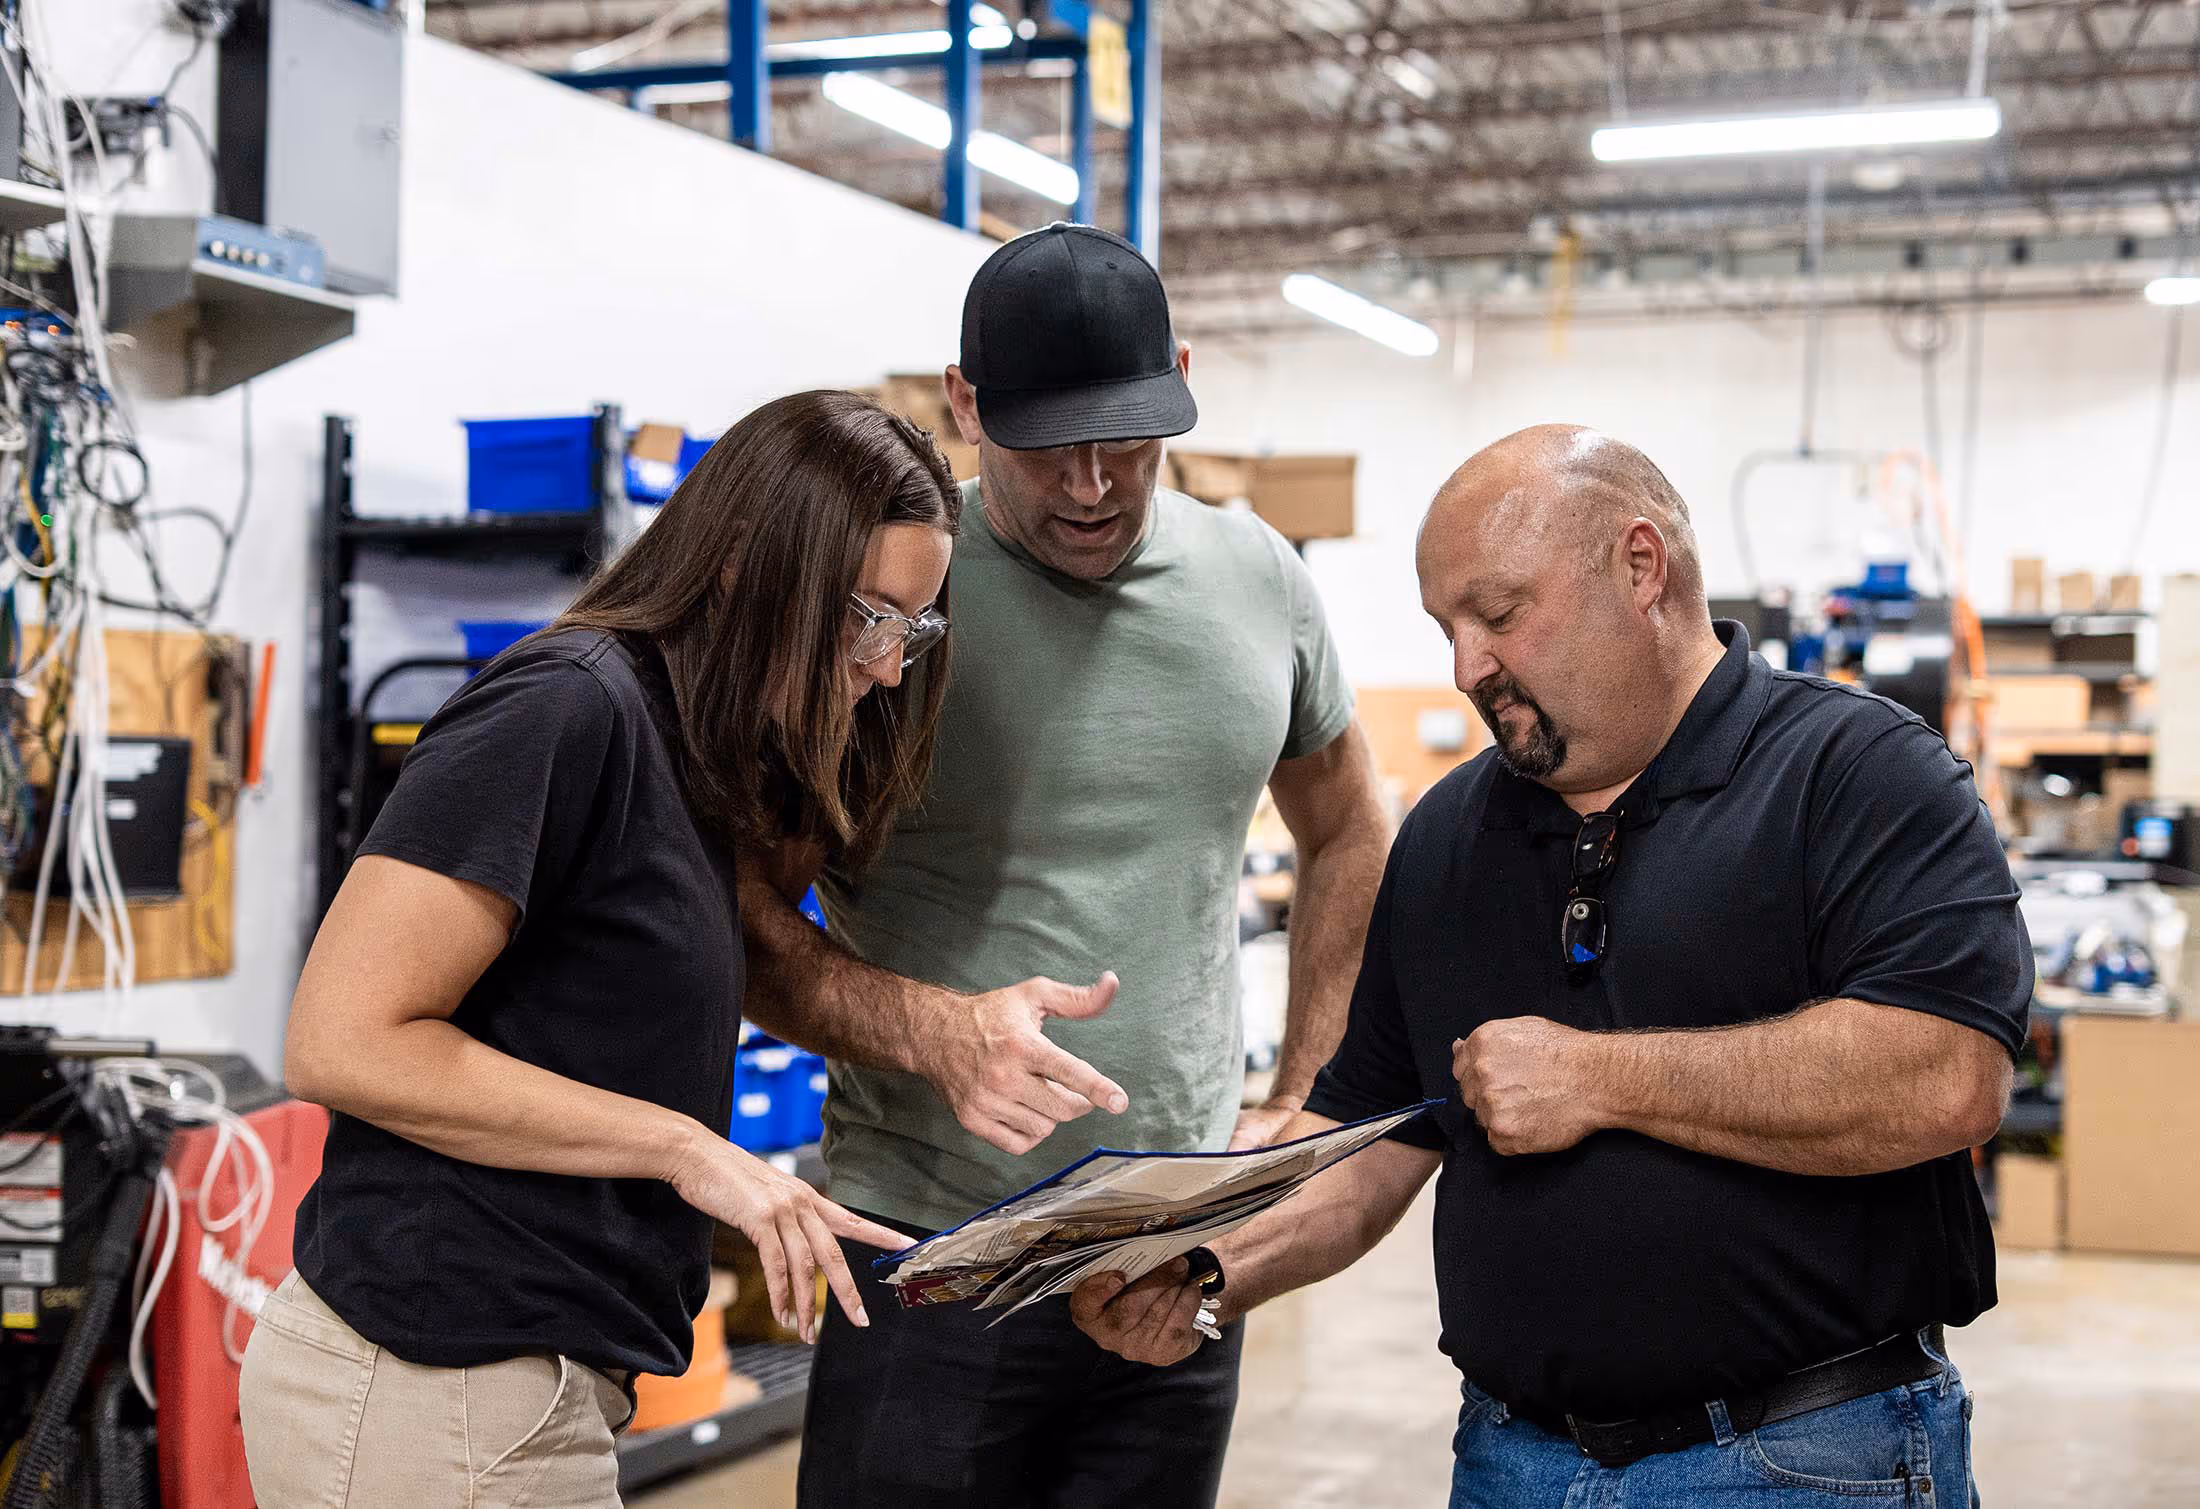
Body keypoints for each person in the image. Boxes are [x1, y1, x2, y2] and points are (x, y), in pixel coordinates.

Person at [1069, 424, 2029, 1509]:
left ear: (1639, 566)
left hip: (1802, 1460)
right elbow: (1375, 1139)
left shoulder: (1857, 776)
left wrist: (1602, 1079)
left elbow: (1947, 1077)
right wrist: (1207, 1270)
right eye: (1445, 627)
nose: (1466, 665)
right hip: (1509, 1463)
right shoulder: (1444, 837)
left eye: (1499, 613)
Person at [736, 223, 1393, 1508]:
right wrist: (934, 1032)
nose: (1093, 486)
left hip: (1167, 1242)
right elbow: (749, 915)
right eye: (1046, 449)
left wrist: (1303, 1093)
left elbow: (1351, 824)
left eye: (1130, 442)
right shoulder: (894, 598)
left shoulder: (1258, 578)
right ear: (963, 405)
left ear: (1182, 382)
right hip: (930, 1250)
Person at [239, 391, 959, 1507]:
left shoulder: (690, 745)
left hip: (525, 1380)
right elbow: (341, 1043)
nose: (887, 667)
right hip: (430, 1375)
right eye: (869, 617)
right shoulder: (565, 710)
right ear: (744, 568)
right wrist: (684, 1147)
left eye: (911, 628)